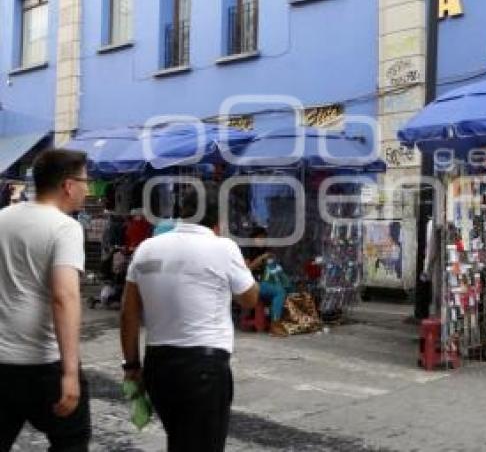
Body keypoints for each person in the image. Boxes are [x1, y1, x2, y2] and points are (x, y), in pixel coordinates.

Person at [120, 192, 259, 451]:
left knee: (181, 438)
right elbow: (250, 299)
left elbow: (128, 313)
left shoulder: (147, 248)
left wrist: (131, 366)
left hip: (158, 367)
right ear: (218, 220)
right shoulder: (224, 248)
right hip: (203, 369)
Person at [0, 149, 91, 451]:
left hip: (2, 360)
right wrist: (70, 372)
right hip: (43, 363)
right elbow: (64, 297)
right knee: (71, 441)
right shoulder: (65, 228)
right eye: (85, 181)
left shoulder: (3, 218)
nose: (88, 189)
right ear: (68, 185)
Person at [244, 227, 290, 337]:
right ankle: (275, 325)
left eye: (264, 238)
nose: (262, 241)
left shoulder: (266, 251)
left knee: (286, 287)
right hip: (252, 284)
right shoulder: (247, 251)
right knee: (279, 292)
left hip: (265, 282)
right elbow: (246, 269)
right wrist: (261, 258)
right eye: (259, 238)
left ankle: (281, 322)